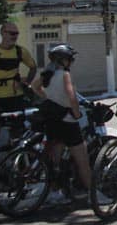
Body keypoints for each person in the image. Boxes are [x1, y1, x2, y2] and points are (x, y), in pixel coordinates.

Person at [30, 44, 108, 205]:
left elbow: (34, 87)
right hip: (67, 121)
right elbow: (72, 97)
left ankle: (55, 192)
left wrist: (48, 98)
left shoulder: (46, 74)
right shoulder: (65, 75)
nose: (71, 62)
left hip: (52, 120)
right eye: (70, 59)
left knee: (55, 161)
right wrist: (77, 114)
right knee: (82, 160)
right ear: (64, 60)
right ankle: (93, 195)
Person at [0, 22, 37, 165]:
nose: (14, 36)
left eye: (16, 33)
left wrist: (25, 84)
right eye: (11, 33)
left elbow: (33, 67)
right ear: (3, 33)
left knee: (17, 134)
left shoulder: (20, 51)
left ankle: (17, 168)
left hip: (15, 98)